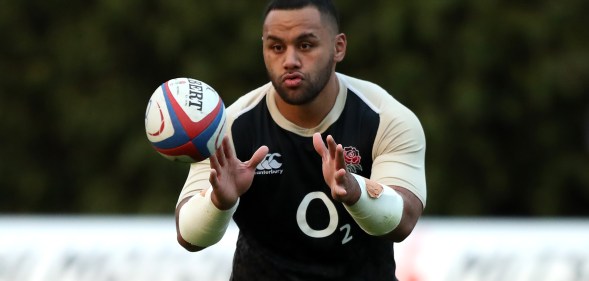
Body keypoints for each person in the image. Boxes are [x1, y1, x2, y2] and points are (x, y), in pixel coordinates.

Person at [175, 0, 427, 280]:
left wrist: (355, 192)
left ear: (338, 47)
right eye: (276, 47)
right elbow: (188, 236)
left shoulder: (386, 118)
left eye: (305, 45)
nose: (290, 60)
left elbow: (403, 221)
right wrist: (218, 202)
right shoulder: (226, 129)